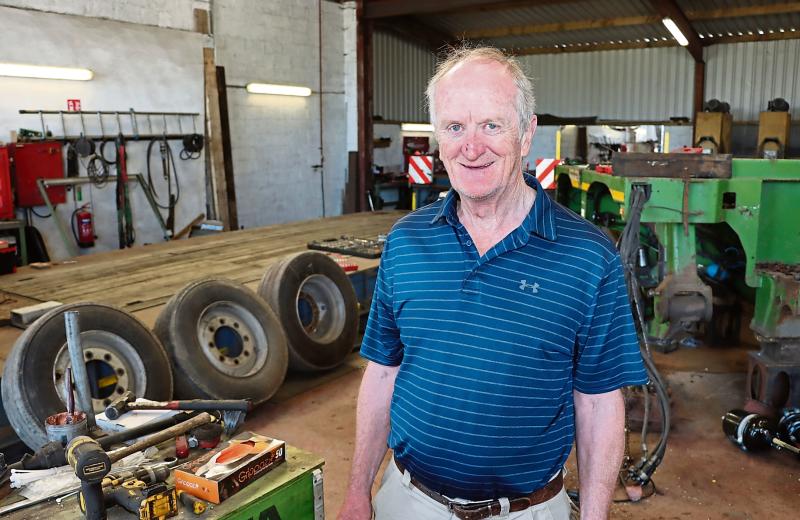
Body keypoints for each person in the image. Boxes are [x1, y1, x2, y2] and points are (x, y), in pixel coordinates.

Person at [338, 46, 648, 520]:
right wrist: (358, 490)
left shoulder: (587, 256)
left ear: (526, 134)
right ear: (438, 138)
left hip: (528, 511)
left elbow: (600, 403)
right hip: (407, 501)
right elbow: (382, 372)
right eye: (454, 127)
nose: (471, 146)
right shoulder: (406, 243)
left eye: (492, 125)